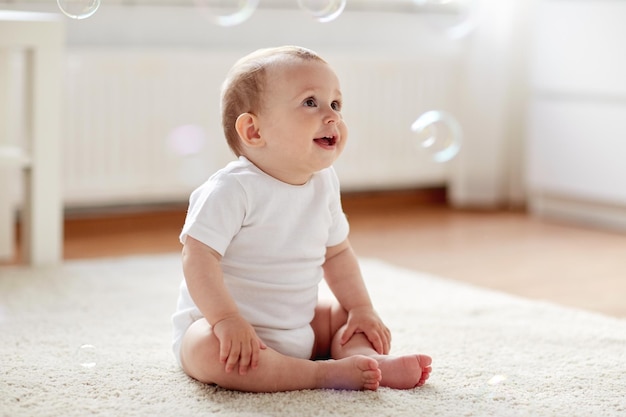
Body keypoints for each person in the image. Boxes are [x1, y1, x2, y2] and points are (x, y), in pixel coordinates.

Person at [171, 45, 432, 392]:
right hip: (230, 334)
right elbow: (197, 256)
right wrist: (226, 320)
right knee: (204, 348)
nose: (333, 116)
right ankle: (321, 375)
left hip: (299, 325)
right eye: (311, 102)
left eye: (336, 104)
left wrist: (361, 307)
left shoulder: (324, 184)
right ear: (253, 131)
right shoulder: (232, 189)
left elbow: (337, 253)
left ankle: (367, 359)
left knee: (345, 316)